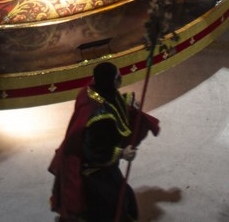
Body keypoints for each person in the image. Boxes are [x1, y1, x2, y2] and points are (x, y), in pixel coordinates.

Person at [49, 62, 159, 222]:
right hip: (95, 172)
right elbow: (94, 152)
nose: (121, 80)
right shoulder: (101, 119)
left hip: (92, 162)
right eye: (119, 78)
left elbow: (110, 100)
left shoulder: (91, 90)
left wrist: (126, 101)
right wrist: (122, 153)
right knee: (113, 203)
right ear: (113, 82)